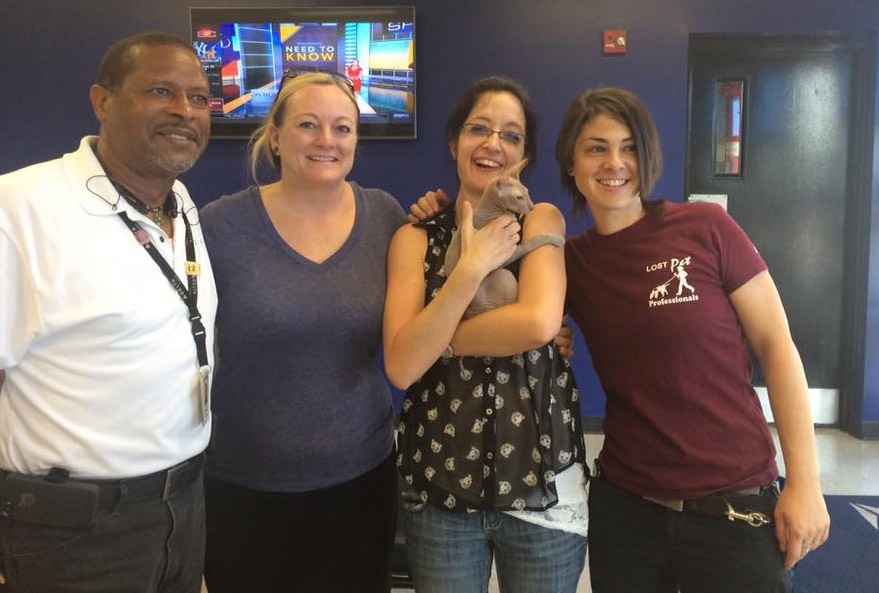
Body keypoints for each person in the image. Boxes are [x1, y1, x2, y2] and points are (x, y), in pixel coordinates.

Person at [556, 87, 830, 592]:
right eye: (595, 147)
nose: (615, 162)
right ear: (571, 164)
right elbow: (517, 305)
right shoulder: (572, 262)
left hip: (735, 503)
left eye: (629, 146)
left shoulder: (705, 227)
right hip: (627, 512)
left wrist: (805, 482)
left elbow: (776, 343)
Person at [0, 32, 215, 593]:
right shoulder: (19, 209)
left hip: (183, 504)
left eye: (198, 97)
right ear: (102, 101)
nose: (184, 111)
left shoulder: (179, 201)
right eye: (161, 91)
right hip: (74, 526)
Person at [199, 72, 405, 593]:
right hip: (245, 486)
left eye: (342, 128)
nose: (326, 141)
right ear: (274, 135)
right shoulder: (219, 226)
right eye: (308, 125)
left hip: (361, 481)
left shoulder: (386, 216)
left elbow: (428, 315)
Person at [384, 76, 588, 593]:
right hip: (440, 481)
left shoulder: (539, 218)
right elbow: (402, 365)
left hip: (543, 475)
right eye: (480, 128)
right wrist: (471, 268)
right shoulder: (415, 236)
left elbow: (538, 323)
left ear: (524, 156)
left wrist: (438, 341)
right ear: (454, 142)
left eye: (512, 135)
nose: (494, 144)